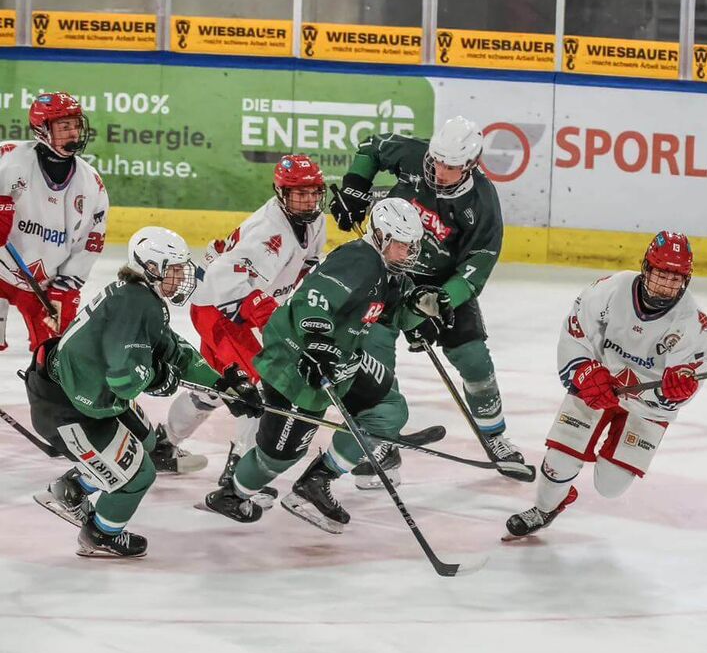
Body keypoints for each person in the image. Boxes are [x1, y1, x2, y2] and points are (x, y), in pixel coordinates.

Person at [203, 197, 454, 534]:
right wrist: (318, 343)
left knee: (389, 407)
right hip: (298, 362)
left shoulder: (391, 272)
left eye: (413, 245)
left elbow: (392, 310)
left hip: (342, 359)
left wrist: (423, 310)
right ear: (380, 237)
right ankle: (232, 495)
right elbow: (314, 299)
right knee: (277, 457)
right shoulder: (359, 260)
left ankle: (316, 481)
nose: (409, 253)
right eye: (402, 245)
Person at [24, 227, 263, 558]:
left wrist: (222, 383)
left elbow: (173, 349)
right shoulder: (137, 303)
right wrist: (157, 379)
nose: (182, 276)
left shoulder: (138, 295)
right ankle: (101, 534)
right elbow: (125, 378)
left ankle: (73, 487)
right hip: (68, 407)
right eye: (175, 269)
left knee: (149, 444)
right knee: (138, 476)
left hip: (85, 391)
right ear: (151, 267)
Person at [329, 115, 531, 488]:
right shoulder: (413, 154)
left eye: (451, 166)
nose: (439, 171)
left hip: (439, 282)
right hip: (386, 268)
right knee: (374, 354)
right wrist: (356, 187)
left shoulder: (482, 201)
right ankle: (383, 446)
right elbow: (372, 147)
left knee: (473, 357)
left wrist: (441, 300)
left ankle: (495, 435)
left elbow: (480, 261)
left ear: (470, 165)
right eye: (436, 160)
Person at [504, 231, 707, 539]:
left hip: (646, 407)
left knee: (611, 486)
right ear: (646, 268)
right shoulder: (608, 290)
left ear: (686, 280)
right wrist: (583, 372)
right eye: (660, 274)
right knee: (559, 462)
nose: (666, 285)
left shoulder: (694, 325)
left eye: (675, 278)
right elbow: (574, 333)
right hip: (599, 387)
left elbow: (685, 382)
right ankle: (546, 507)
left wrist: (675, 392)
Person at [160, 154, 327, 492]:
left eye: (314, 192)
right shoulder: (267, 231)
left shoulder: (316, 220)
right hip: (218, 308)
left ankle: (163, 445)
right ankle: (237, 473)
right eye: (299, 194)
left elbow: (307, 264)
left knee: (216, 387)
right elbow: (226, 278)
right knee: (254, 388)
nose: (308, 201)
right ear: (282, 193)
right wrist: (268, 317)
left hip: (236, 307)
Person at [0, 92, 108, 350]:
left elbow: (89, 243)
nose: (73, 133)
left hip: (46, 286)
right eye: (63, 127)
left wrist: (66, 287)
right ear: (42, 129)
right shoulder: (8, 158)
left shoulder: (91, 184)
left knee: (55, 357)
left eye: (75, 125)